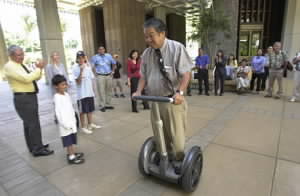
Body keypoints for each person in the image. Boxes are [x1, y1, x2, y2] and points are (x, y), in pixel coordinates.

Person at [133, 18, 193, 162]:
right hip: (155, 100)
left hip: (173, 101)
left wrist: (180, 93)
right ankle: (163, 158)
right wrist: (138, 91)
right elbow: (143, 76)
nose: (148, 39)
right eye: (146, 36)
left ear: (162, 33)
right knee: (160, 135)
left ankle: (179, 161)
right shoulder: (147, 54)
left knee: (177, 137)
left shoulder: (176, 48)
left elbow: (186, 74)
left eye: (151, 35)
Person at [3, 45, 54, 157]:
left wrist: (38, 70)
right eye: (19, 55)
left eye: (22, 54)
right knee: (33, 124)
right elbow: (26, 79)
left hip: (28, 97)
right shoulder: (10, 66)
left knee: (29, 124)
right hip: (24, 98)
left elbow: (34, 77)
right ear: (11, 55)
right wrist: (39, 68)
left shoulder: (20, 65)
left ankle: (34, 146)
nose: (22, 56)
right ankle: (38, 149)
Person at [52, 75, 84, 164]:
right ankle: (71, 157)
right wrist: (65, 124)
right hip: (65, 125)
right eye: (62, 85)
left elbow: (70, 107)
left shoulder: (66, 94)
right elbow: (58, 113)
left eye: (65, 84)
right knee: (68, 142)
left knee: (72, 140)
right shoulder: (57, 97)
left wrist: (74, 119)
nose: (65, 86)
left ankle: (72, 153)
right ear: (56, 86)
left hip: (71, 122)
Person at [73, 51, 102, 134]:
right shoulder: (75, 68)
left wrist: (93, 91)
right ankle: (83, 127)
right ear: (77, 59)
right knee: (82, 111)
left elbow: (92, 79)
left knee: (90, 109)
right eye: (79, 58)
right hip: (81, 94)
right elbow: (78, 82)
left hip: (89, 93)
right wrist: (81, 71)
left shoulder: (88, 66)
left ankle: (90, 124)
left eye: (82, 57)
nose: (81, 59)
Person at [90, 46, 116, 112]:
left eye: (102, 49)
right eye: (100, 49)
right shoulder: (95, 57)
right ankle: (102, 105)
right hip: (100, 76)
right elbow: (92, 66)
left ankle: (108, 104)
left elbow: (114, 63)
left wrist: (112, 71)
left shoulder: (109, 56)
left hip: (108, 75)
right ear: (98, 50)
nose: (101, 50)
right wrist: (95, 73)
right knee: (101, 91)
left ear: (104, 50)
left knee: (109, 90)